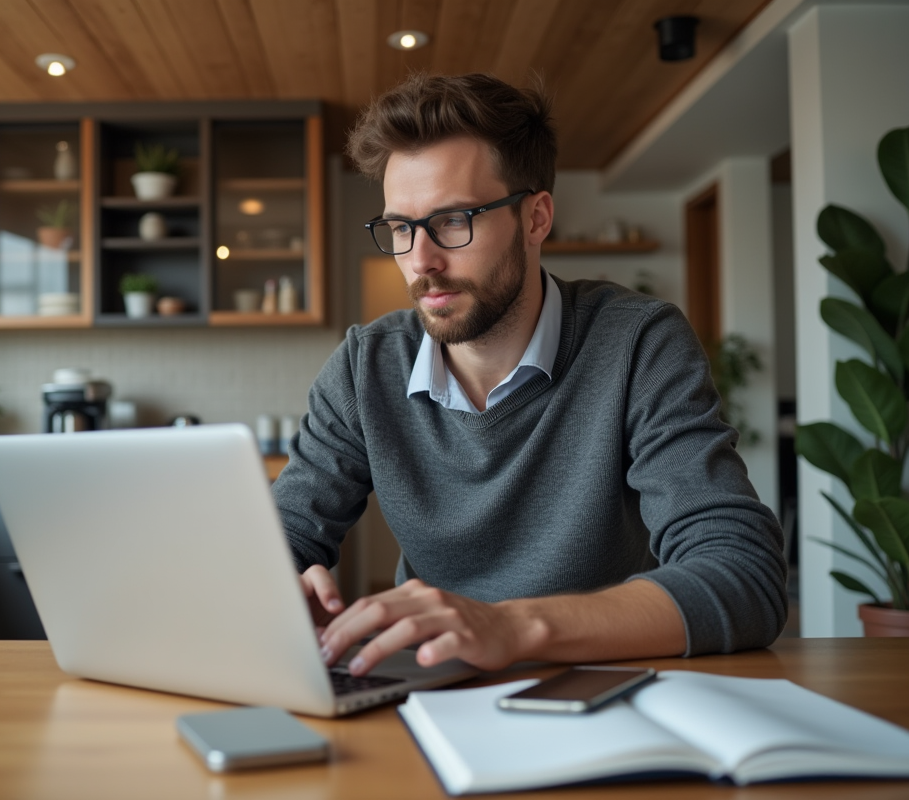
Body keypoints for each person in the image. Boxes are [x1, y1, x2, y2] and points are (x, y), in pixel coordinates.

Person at [271, 73, 786, 679]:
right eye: (401, 227)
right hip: (431, 689)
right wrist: (272, 582)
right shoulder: (364, 367)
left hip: (606, 686)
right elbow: (281, 537)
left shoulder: (637, 342)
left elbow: (743, 573)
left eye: (454, 220)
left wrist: (512, 627)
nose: (420, 261)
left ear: (536, 218)